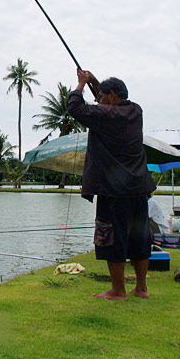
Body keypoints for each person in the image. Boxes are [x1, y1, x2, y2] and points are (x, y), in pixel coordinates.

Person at [67, 69, 155, 300]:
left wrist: (80, 84)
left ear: (113, 96)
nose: (100, 101)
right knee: (139, 238)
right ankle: (141, 288)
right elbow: (103, 102)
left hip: (114, 189)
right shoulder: (135, 111)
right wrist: (94, 82)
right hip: (138, 188)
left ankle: (118, 291)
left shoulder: (107, 116)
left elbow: (75, 107)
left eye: (104, 98)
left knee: (111, 237)